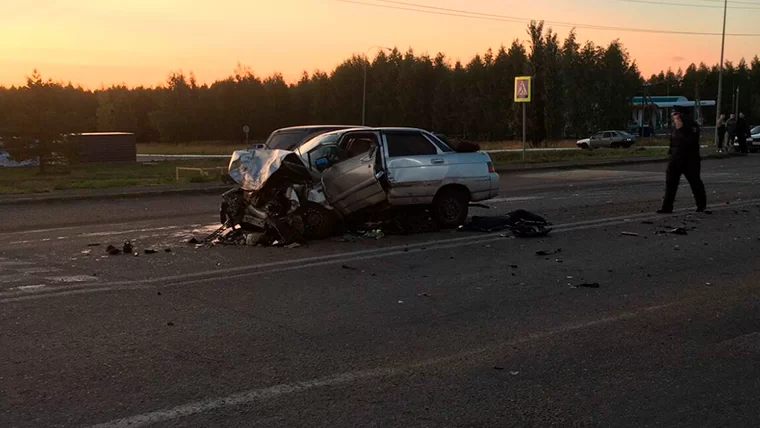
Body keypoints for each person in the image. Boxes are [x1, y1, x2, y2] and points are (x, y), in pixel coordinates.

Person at [658, 110, 706, 214]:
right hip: (676, 159)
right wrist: (670, 153)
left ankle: (701, 205)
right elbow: (673, 143)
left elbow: (688, 140)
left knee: (695, 182)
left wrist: (680, 127)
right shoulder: (678, 127)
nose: (673, 119)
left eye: (674, 116)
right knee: (671, 183)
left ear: (678, 115)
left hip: (689, 160)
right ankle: (666, 207)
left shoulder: (688, 126)